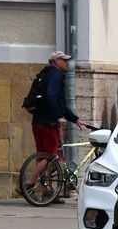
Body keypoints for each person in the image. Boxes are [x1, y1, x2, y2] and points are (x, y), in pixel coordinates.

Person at [25, 51, 89, 202]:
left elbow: (61, 104)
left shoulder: (45, 74)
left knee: (43, 156)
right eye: (63, 60)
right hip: (49, 122)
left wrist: (75, 119)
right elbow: (52, 96)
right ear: (55, 61)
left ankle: (48, 191)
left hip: (38, 122)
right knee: (51, 155)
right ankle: (28, 184)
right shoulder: (56, 75)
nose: (67, 63)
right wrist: (58, 116)